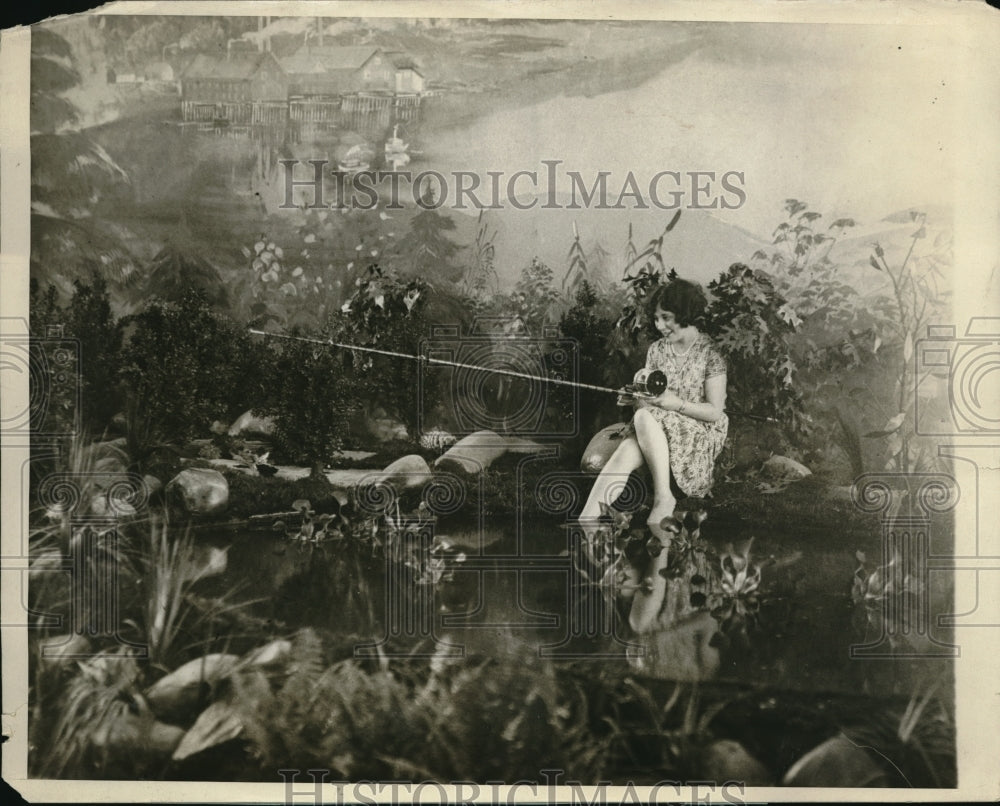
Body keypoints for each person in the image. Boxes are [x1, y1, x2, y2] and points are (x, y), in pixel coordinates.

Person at [578, 278, 728, 636]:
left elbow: (715, 412)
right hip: (658, 424)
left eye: (666, 318)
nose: (659, 326)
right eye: (657, 318)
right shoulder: (657, 351)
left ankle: (665, 496)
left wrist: (674, 404)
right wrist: (633, 398)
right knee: (633, 435)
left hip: (697, 431)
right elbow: (648, 399)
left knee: (643, 421)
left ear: (687, 315)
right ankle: (590, 516)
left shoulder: (711, 354)